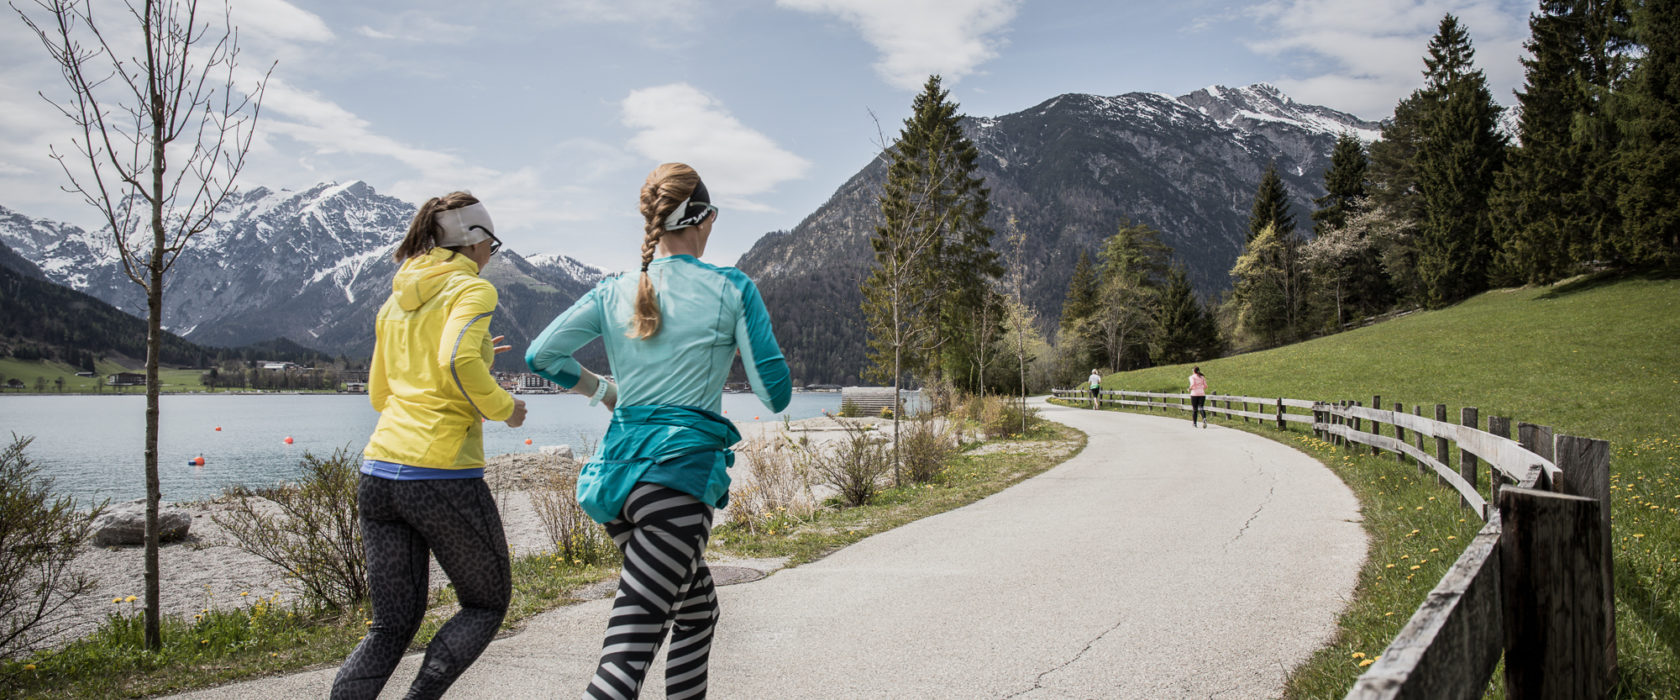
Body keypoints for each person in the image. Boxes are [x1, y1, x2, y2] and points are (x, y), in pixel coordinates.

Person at [526, 163, 791, 699]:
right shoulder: (731, 288)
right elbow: (775, 394)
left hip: (618, 484)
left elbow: (541, 355)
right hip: (677, 481)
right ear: (705, 218)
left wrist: (606, 392)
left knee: (698, 613)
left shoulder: (615, 290)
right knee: (620, 671)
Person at [332, 192, 527, 700]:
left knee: (391, 625)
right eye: (494, 246)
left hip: (379, 472)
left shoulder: (394, 301)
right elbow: (459, 362)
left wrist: (478, 354)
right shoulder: (472, 290)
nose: (492, 257)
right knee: (485, 604)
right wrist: (505, 407)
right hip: (440, 473)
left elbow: (380, 393)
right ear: (476, 241)